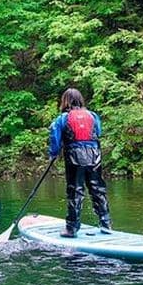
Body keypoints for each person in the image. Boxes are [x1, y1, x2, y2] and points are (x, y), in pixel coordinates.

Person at [48, 88, 112, 237]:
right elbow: (98, 133)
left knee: (75, 190)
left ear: (65, 101)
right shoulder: (93, 115)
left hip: (74, 156)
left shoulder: (62, 118)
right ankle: (106, 223)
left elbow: (55, 139)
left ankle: (71, 228)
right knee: (97, 189)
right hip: (94, 155)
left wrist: (53, 154)